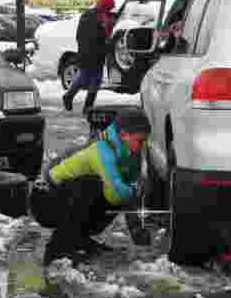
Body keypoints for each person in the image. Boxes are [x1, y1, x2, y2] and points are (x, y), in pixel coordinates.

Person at [32, 107, 151, 266]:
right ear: (123, 135)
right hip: (44, 200)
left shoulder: (131, 155)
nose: (143, 146)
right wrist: (134, 189)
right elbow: (117, 194)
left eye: (145, 140)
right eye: (140, 141)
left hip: (67, 198)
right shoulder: (102, 149)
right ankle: (57, 249)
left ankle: (80, 239)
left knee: (115, 188)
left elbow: (128, 194)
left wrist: (138, 232)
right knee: (93, 184)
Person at [62, 0, 116, 115]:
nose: (111, 10)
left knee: (94, 80)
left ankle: (86, 105)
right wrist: (105, 41)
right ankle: (72, 98)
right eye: (110, 7)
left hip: (96, 53)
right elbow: (92, 35)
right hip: (90, 52)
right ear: (105, 6)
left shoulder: (101, 15)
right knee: (86, 78)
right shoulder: (92, 16)